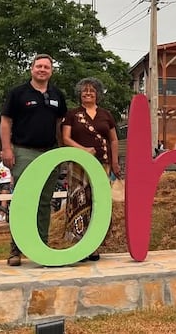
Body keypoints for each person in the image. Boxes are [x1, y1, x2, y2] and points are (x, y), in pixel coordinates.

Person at [0, 54, 68, 266]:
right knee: (23, 201)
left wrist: (62, 152)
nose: (42, 69)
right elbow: (5, 122)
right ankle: (15, 250)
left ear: (51, 71)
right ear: (31, 69)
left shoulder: (57, 94)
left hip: (50, 152)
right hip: (24, 151)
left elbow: (60, 124)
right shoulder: (18, 93)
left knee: (45, 202)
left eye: (46, 67)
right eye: (38, 66)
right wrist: (6, 148)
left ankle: (41, 248)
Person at [61, 77, 121, 262]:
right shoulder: (72, 114)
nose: (88, 93)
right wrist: (84, 150)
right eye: (85, 91)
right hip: (79, 165)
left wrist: (115, 161)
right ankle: (80, 244)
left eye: (92, 91)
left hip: (102, 164)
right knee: (80, 201)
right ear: (80, 94)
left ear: (98, 95)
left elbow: (113, 139)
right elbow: (66, 138)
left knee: (98, 202)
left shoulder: (106, 115)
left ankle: (94, 246)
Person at [0, 151, 12, 223]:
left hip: (7, 182)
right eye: (0, 154)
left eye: (2, 154)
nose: (1, 155)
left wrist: (11, 182)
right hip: (0, 182)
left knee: (3, 198)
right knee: (3, 199)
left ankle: (1, 214)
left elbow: (12, 171)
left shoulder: (9, 162)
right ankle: (5, 214)